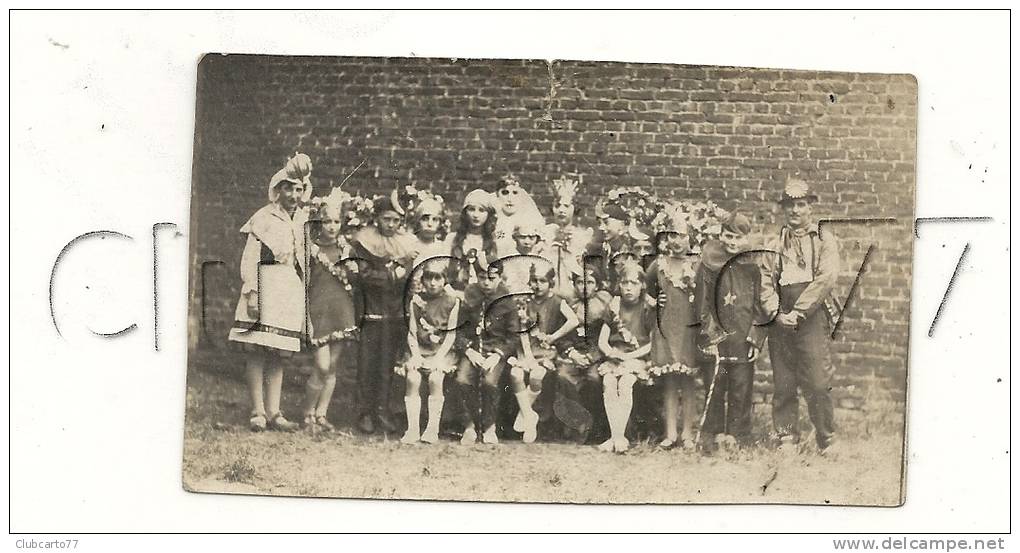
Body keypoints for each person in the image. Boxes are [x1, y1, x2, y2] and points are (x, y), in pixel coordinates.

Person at [227, 153, 313, 432]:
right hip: (265, 283)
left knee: (278, 351)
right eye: (288, 188)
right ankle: (257, 411)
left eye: (298, 189)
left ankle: (275, 411)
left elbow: (303, 257)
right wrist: (252, 292)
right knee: (257, 350)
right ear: (278, 190)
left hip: (287, 287)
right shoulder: (264, 217)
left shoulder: (302, 219)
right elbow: (251, 256)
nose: (293, 194)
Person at [761, 178, 842, 455]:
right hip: (780, 319)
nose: (795, 211)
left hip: (810, 317)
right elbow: (765, 281)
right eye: (790, 206)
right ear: (783, 210)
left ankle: (826, 436)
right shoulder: (773, 243)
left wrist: (798, 312)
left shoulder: (824, 241)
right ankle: (786, 437)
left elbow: (826, 279)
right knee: (784, 380)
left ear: (810, 208)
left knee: (818, 380)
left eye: (801, 205)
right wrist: (775, 312)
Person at [697, 212, 769, 450]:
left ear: (746, 239)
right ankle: (715, 431)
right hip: (718, 332)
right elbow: (703, 301)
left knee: (741, 384)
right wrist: (709, 334)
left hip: (742, 332)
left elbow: (760, 303)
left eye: (737, 238)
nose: (732, 242)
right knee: (715, 383)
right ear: (720, 234)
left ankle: (737, 434)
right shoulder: (709, 261)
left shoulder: (754, 265)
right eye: (728, 236)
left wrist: (755, 337)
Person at [350, 191, 420, 435]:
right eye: (386, 219)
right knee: (367, 364)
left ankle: (383, 410)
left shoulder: (406, 244)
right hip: (371, 310)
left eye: (395, 220)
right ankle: (364, 413)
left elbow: (408, 279)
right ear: (377, 218)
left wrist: (402, 272)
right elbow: (365, 277)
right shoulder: (363, 243)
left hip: (395, 312)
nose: (390, 225)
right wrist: (394, 272)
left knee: (386, 365)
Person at [300, 189, 360, 431]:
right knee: (321, 366)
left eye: (336, 221)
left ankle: (321, 414)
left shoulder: (347, 249)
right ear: (318, 222)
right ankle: (307, 413)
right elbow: (305, 281)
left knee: (332, 366)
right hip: (319, 311)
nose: (332, 226)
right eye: (327, 221)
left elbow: (355, 281)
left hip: (342, 311)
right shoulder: (311, 249)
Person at [646, 211, 702, 450]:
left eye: (681, 235)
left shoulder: (697, 265)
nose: (677, 241)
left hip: (688, 327)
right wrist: (653, 301)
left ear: (689, 237)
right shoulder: (657, 266)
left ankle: (688, 433)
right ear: (665, 237)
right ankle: (670, 433)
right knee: (669, 382)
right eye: (672, 235)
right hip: (667, 327)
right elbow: (644, 292)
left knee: (688, 381)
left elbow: (703, 296)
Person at [508, 264, 579, 443]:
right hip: (526, 349)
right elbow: (523, 331)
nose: (537, 285)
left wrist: (553, 337)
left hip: (546, 351)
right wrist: (527, 356)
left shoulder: (557, 302)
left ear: (551, 283)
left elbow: (573, 320)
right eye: (534, 281)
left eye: (542, 281)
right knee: (515, 374)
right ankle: (529, 417)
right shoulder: (525, 302)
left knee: (537, 374)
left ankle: (525, 416)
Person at [395, 257, 461, 444]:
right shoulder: (416, 301)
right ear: (423, 281)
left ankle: (432, 429)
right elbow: (412, 332)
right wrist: (415, 355)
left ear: (444, 280)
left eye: (438, 278)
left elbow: (451, 335)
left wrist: (439, 358)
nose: (433, 283)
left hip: (442, 350)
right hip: (420, 349)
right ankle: (413, 429)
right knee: (413, 378)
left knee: (435, 378)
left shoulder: (452, 301)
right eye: (429, 278)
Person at [452, 264, 517, 445]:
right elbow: (458, 330)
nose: (486, 282)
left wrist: (497, 355)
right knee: (462, 379)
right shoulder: (470, 295)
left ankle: (489, 426)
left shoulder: (507, 300)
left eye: (492, 278)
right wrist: (468, 350)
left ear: (500, 278)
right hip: (473, 350)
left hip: (495, 352)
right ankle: (469, 425)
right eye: (482, 278)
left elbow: (513, 336)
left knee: (490, 382)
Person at [596, 261, 656, 453]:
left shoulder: (648, 307)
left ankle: (618, 437)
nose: (628, 287)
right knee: (609, 382)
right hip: (615, 357)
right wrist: (610, 353)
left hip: (637, 358)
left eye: (634, 283)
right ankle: (617, 436)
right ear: (619, 285)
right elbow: (603, 340)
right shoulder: (614, 306)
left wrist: (629, 356)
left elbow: (652, 343)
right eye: (624, 283)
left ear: (642, 285)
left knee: (625, 383)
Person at [557, 267, 613, 443]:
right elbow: (561, 334)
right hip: (573, 354)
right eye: (580, 282)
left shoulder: (603, 304)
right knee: (563, 376)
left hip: (595, 356)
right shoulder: (567, 304)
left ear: (596, 286)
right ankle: (576, 422)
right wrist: (571, 353)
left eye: (589, 282)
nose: (584, 287)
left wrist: (592, 357)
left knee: (595, 378)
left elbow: (606, 336)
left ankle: (598, 425)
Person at [544, 176, 593, 299]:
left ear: (574, 208)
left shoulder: (582, 236)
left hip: (573, 294)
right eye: (557, 205)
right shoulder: (545, 233)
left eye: (566, 206)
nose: (561, 210)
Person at [446, 189, 500, 291]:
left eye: (481, 210)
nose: (476, 215)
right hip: (456, 292)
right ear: (465, 212)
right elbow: (444, 270)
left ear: (488, 214)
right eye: (471, 209)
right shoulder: (452, 239)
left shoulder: (494, 242)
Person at [492, 173, 546, 257]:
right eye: (505, 193)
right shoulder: (492, 219)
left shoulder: (531, 219)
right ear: (497, 195)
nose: (510, 198)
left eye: (515, 193)